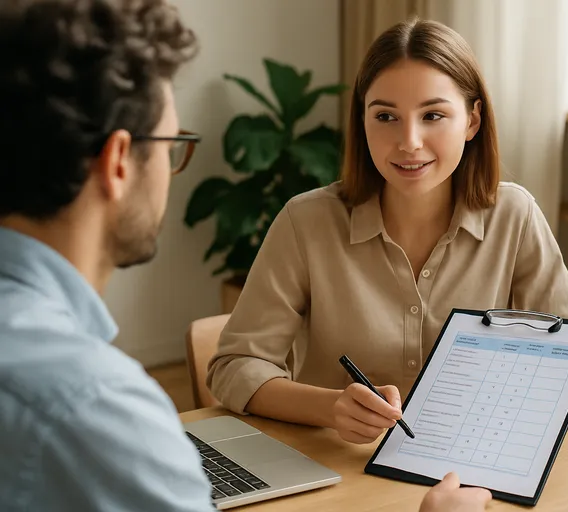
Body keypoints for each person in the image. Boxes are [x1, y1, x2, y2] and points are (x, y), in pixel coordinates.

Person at [0, 1, 489, 510]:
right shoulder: (98, 407)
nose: (409, 141)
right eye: (172, 145)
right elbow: (234, 367)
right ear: (120, 161)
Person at [208, 16, 568, 448]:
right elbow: (235, 366)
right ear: (363, 120)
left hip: (472, 462)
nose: (409, 141)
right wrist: (331, 407)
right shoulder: (305, 223)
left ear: (472, 121)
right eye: (385, 116)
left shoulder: (515, 215)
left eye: (433, 114)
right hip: (337, 468)